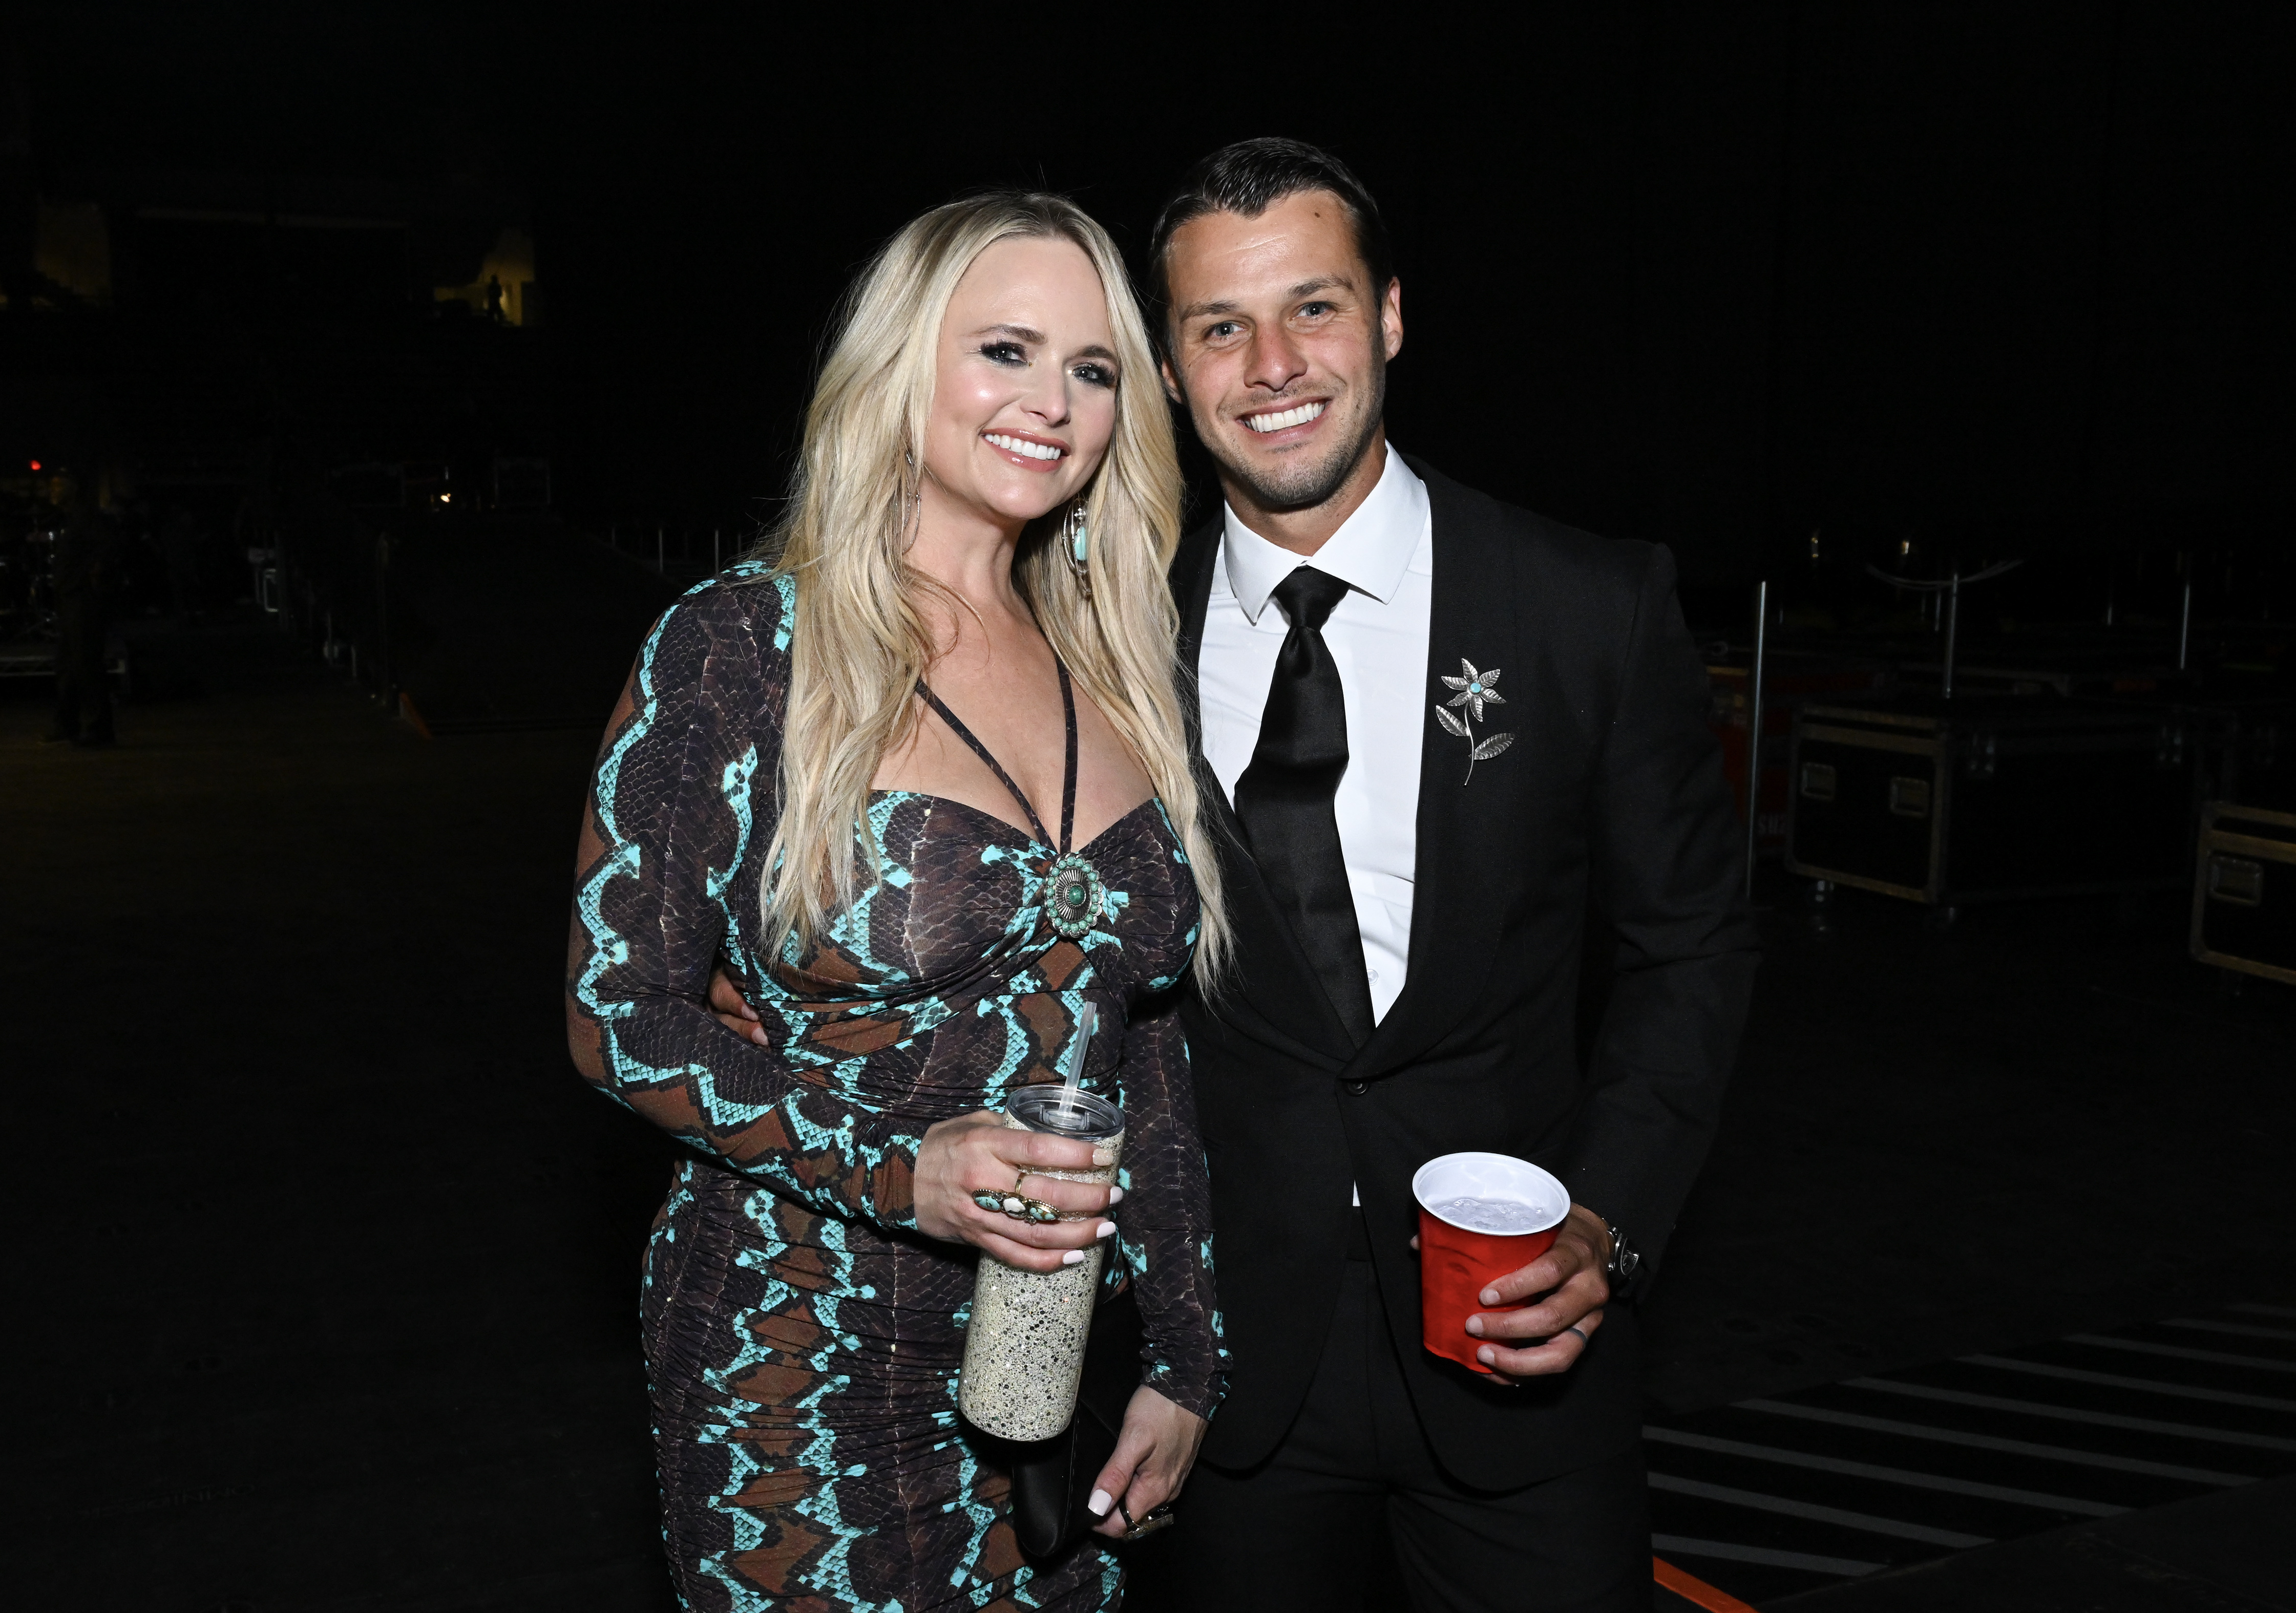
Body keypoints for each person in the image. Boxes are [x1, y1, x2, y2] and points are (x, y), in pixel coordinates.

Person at [567, 192, 1229, 1613]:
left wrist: (1183, 1351)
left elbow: (1146, 1055)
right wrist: (897, 1164)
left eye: (1093, 366)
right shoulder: (742, 644)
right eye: (1004, 349)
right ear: (903, 364)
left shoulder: (1116, 663)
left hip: (1045, 1360)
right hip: (786, 1356)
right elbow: (614, 1013)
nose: (1050, 401)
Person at [1123, 140, 1759, 1611]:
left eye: (1315, 307)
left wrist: (1607, 1214)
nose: (1272, 363)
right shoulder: (1104, 638)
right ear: (1168, 365)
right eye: (1220, 326)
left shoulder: (1585, 604)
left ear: (1391, 316)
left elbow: (1692, 946)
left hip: (1522, 1368)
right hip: (1223, 1381)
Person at [45, 473, 120, 747]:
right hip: (70, 599)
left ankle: (98, 730)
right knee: (67, 665)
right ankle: (69, 724)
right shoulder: (70, 519)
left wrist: (96, 574)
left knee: (86, 664)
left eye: (58, 485)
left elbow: (108, 544)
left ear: (74, 488)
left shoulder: (86, 517)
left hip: (82, 601)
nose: (52, 490)